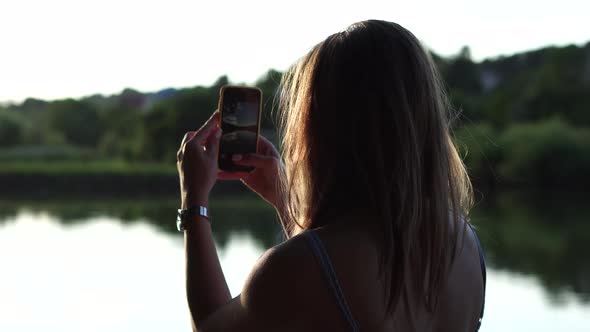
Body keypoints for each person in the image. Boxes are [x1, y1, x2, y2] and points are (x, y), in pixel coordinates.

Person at [176, 20, 486, 332]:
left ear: (318, 129)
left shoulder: (293, 269)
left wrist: (194, 203)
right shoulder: (466, 244)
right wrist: (285, 201)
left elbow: (209, 327)